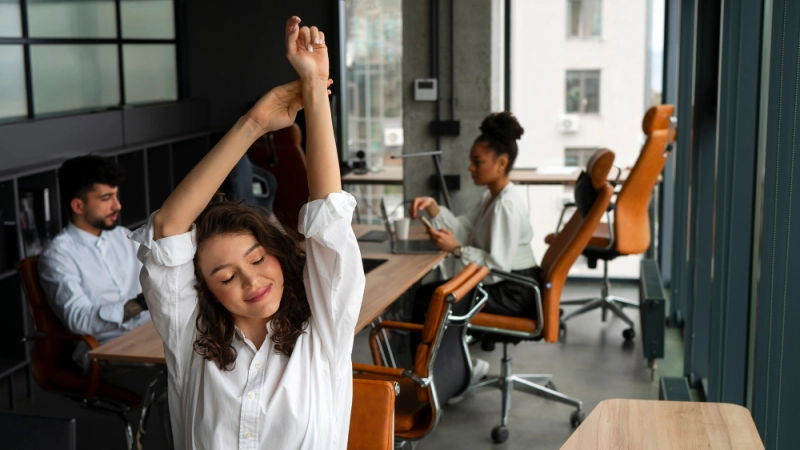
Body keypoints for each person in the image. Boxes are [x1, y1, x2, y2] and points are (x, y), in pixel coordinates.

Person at [129, 17, 364, 449]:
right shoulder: (191, 338)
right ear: (205, 289)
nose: (252, 281)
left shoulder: (322, 330)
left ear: (276, 253)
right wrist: (253, 123)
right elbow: (167, 230)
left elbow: (329, 219)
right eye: (225, 277)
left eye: (256, 259)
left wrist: (314, 89)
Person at [410, 112, 538, 370]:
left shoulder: (506, 206)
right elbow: (465, 230)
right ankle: (441, 370)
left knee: (430, 298)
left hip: (513, 289)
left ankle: (443, 372)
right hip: (507, 284)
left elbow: (496, 267)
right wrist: (434, 209)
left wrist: (456, 250)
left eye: (477, 162)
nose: (470, 168)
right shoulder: (491, 198)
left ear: (501, 163)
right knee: (427, 295)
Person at [39, 155, 150, 371]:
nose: (117, 205)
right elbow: (78, 319)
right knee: (179, 373)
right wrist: (142, 304)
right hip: (106, 349)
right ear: (78, 205)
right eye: (106, 198)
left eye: (116, 195)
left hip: (149, 332)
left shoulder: (123, 236)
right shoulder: (58, 255)